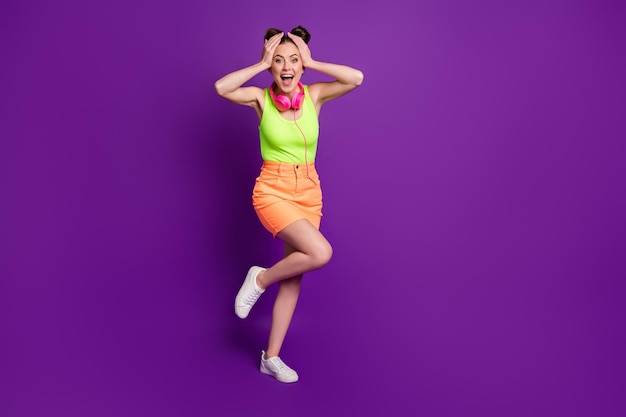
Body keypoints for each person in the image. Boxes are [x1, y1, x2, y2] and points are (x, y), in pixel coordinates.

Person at [214, 25, 363, 383]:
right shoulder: (260, 100)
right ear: (271, 67)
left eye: (293, 60)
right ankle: (260, 278)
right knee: (319, 253)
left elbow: (355, 77)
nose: (287, 66)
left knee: (294, 276)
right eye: (279, 60)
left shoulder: (314, 96)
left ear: (302, 67)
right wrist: (260, 61)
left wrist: (311, 58)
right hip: (273, 190)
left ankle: (271, 357)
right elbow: (222, 88)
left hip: (309, 191)